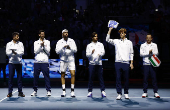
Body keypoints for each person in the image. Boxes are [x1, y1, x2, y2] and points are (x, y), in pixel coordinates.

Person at [106, 27, 134, 100]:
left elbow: (131, 53)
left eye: (122, 33)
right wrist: (110, 30)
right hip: (118, 62)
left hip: (126, 63)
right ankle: (119, 93)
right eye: (120, 33)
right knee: (118, 78)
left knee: (126, 79)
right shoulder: (116, 41)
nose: (121, 34)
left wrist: (131, 63)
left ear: (125, 34)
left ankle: (126, 93)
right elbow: (107, 40)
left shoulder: (129, 42)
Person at [55, 29, 77, 97]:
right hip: (63, 60)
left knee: (73, 74)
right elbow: (57, 51)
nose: (66, 34)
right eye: (65, 33)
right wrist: (63, 47)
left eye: (67, 33)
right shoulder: (59, 42)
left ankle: (72, 91)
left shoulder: (72, 41)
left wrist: (70, 48)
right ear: (62, 34)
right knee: (62, 75)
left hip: (71, 59)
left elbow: (75, 50)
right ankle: (63, 91)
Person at [31, 30, 51, 96]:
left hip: (45, 61)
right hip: (37, 62)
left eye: (43, 34)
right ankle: (35, 91)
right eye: (41, 34)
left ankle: (48, 90)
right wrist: (40, 46)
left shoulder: (47, 42)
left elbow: (48, 51)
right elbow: (35, 51)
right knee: (35, 77)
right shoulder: (36, 42)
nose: (42, 35)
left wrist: (44, 46)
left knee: (46, 77)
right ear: (39, 35)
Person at [140, 33, 160, 98]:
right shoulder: (142, 45)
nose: (148, 39)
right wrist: (148, 53)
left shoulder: (154, 45)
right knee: (145, 79)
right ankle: (145, 92)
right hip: (145, 63)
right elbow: (141, 54)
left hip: (153, 64)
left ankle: (155, 92)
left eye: (150, 37)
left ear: (152, 38)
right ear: (146, 38)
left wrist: (152, 53)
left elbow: (156, 53)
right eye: (147, 37)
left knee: (154, 78)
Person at [86, 32, 106, 97]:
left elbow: (103, 52)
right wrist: (91, 53)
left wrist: (99, 54)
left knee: (101, 78)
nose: (96, 37)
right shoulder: (89, 45)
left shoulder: (101, 44)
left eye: (97, 36)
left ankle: (103, 91)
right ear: (92, 38)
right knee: (91, 78)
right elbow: (87, 55)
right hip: (92, 64)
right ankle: (90, 91)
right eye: (95, 36)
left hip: (99, 64)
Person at [6, 32, 25, 97]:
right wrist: (12, 53)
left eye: (18, 36)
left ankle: (20, 92)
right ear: (13, 37)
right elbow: (7, 53)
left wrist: (15, 53)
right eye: (17, 37)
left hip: (18, 63)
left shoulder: (20, 43)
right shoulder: (9, 44)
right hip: (11, 63)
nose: (18, 38)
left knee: (19, 78)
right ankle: (10, 92)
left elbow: (22, 52)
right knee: (10, 78)